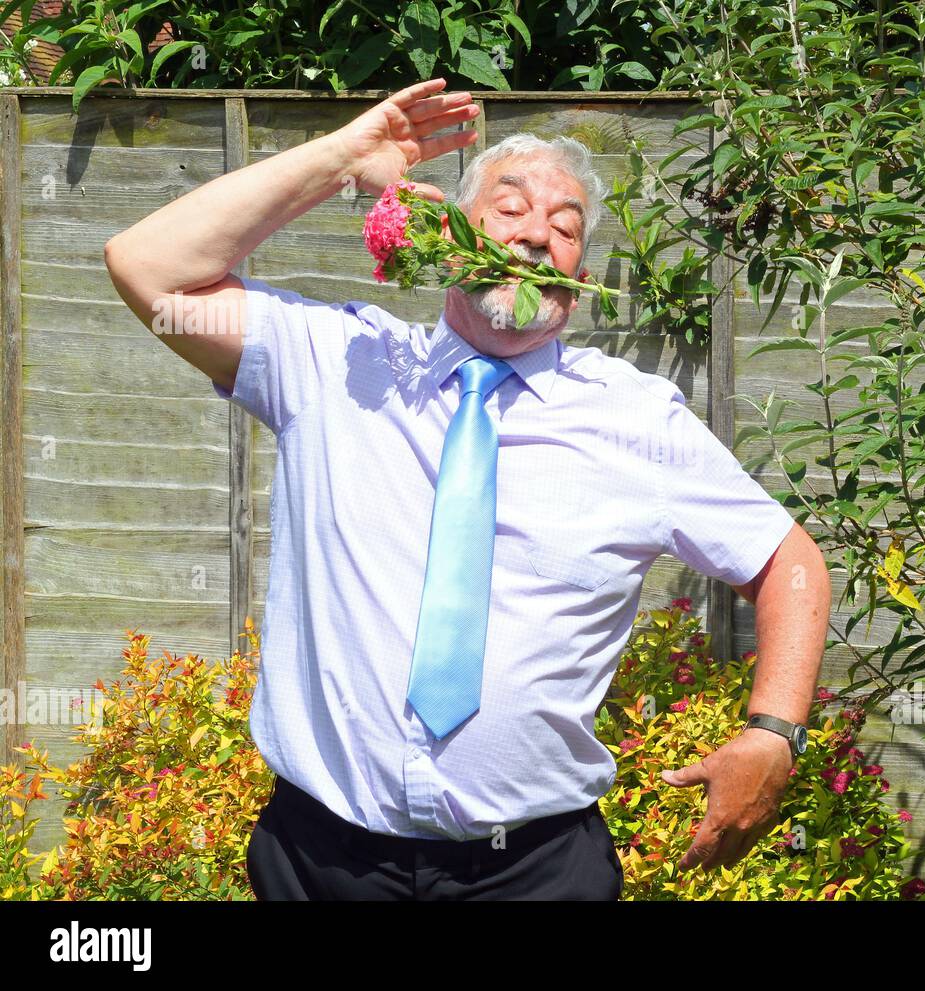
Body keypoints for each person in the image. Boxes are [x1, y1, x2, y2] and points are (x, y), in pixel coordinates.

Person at [103, 78, 831, 901]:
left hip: (536, 871)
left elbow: (789, 560)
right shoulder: (335, 364)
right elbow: (147, 268)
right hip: (323, 864)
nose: (535, 237)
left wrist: (773, 733)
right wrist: (340, 159)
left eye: (564, 228)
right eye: (509, 208)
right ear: (451, 238)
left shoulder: (638, 421)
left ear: (578, 275)